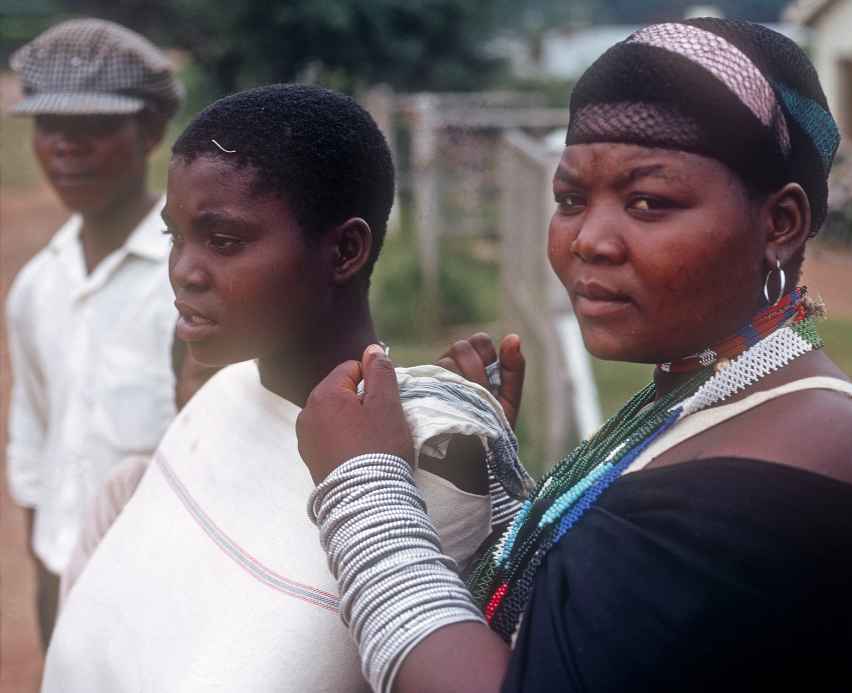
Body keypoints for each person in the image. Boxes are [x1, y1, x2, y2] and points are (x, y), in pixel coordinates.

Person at [297, 18, 852, 693]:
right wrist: (492, 482)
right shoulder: (705, 391)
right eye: (571, 199)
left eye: (649, 202)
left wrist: (364, 484)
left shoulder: (809, 451)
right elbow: (594, 615)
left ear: (779, 223)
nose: (590, 241)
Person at [41, 84, 512, 692]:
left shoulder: (419, 474)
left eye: (225, 241)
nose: (183, 270)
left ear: (344, 251)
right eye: (174, 236)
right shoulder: (221, 400)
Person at [5, 18, 183, 645]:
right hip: (64, 583)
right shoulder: (36, 287)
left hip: (167, 595)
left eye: (94, 127)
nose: (66, 148)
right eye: (51, 127)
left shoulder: (190, 283)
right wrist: (47, 579)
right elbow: (34, 435)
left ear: (151, 132)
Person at [58, 335, 223, 602]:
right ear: (176, 392)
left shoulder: (298, 506)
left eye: (244, 380)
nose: (230, 393)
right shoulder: (127, 491)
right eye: (210, 377)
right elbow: (77, 623)